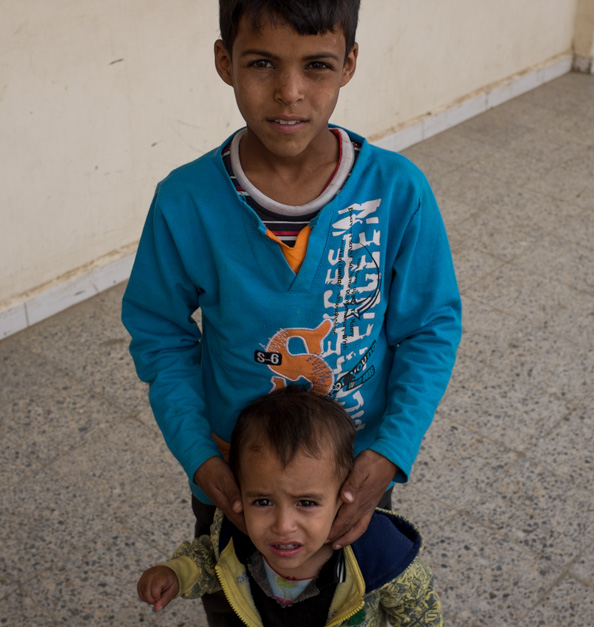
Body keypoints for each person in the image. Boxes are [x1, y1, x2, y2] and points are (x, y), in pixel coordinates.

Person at [122, 0, 461, 621]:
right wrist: (202, 459)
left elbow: (429, 328)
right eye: (261, 63)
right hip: (234, 477)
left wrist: (388, 453)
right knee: (237, 604)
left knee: (344, 601)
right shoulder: (184, 202)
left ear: (350, 63)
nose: (289, 92)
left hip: (350, 475)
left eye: (318, 66)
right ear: (224, 61)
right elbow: (160, 336)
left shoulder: (397, 190)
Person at [137, 387, 443, 626]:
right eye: (263, 501)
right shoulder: (237, 533)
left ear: (343, 495)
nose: (283, 526)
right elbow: (211, 558)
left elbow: (419, 610)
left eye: (307, 503)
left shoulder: (380, 552)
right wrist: (177, 574)